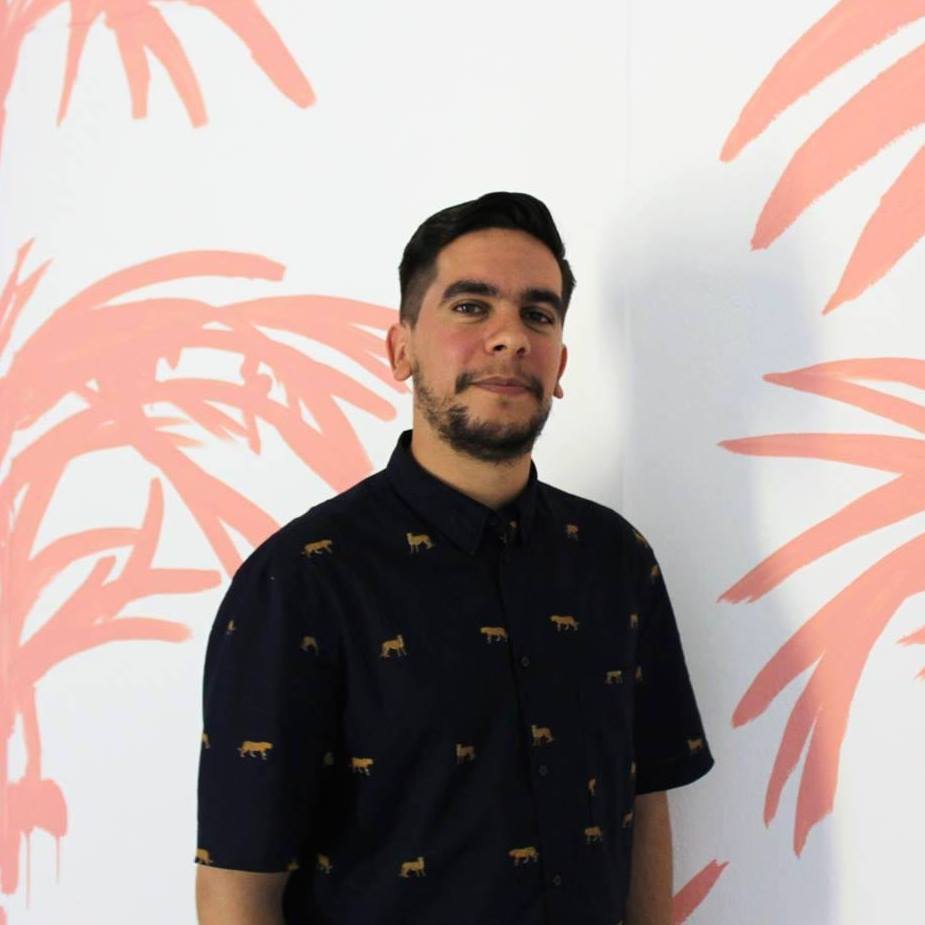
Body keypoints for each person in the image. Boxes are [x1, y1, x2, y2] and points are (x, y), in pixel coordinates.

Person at [195, 191, 715, 925]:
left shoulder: (616, 561)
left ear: (560, 363)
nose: (510, 337)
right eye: (471, 307)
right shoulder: (301, 580)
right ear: (400, 348)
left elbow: (644, 794)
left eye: (538, 314)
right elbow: (236, 886)